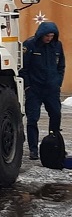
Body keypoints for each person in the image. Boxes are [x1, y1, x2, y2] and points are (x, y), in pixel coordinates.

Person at [20, 21, 65, 160]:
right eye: (47, 36)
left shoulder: (57, 46)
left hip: (51, 89)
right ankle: (33, 150)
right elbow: (23, 67)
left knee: (56, 115)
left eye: (52, 36)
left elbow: (61, 66)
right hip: (35, 89)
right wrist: (27, 86)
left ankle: (54, 145)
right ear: (41, 35)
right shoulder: (30, 45)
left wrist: (57, 83)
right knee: (33, 119)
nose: (49, 38)